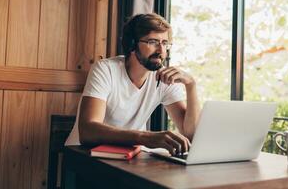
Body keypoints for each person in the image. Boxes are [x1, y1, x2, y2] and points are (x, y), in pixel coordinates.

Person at [65, 13, 200, 155]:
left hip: (129, 155)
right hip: (83, 155)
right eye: (152, 42)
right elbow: (88, 132)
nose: (161, 51)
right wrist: (144, 137)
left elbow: (190, 133)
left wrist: (191, 85)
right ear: (132, 44)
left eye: (165, 43)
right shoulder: (106, 69)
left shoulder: (165, 78)